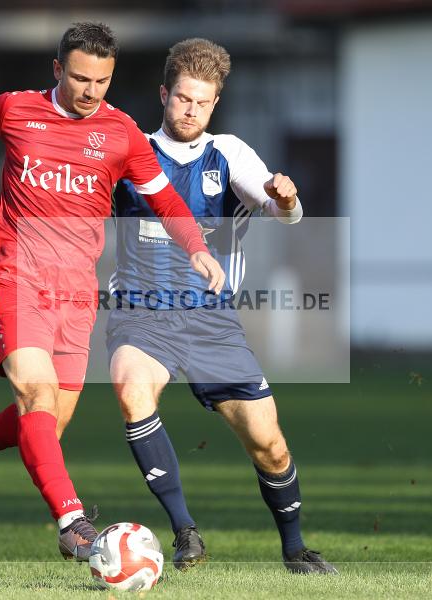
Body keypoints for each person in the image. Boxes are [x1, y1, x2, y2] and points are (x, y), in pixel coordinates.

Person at [0, 23, 224, 562]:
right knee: (37, 398)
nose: (91, 91)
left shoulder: (122, 133)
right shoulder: (15, 110)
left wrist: (197, 249)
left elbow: (163, 198)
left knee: (45, 423)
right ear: (57, 70)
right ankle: (73, 523)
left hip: (76, 291)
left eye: (103, 81)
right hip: (14, 273)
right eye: (80, 77)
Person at [106, 38, 337, 575]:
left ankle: (295, 549)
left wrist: (286, 198)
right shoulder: (130, 150)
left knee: (270, 447)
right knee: (130, 387)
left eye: (202, 102)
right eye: (182, 97)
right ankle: (185, 532)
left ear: (215, 104)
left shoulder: (228, 152)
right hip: (142, 313)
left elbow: (287, 215)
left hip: (212, 321)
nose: (190, 110)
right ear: (164, 94)